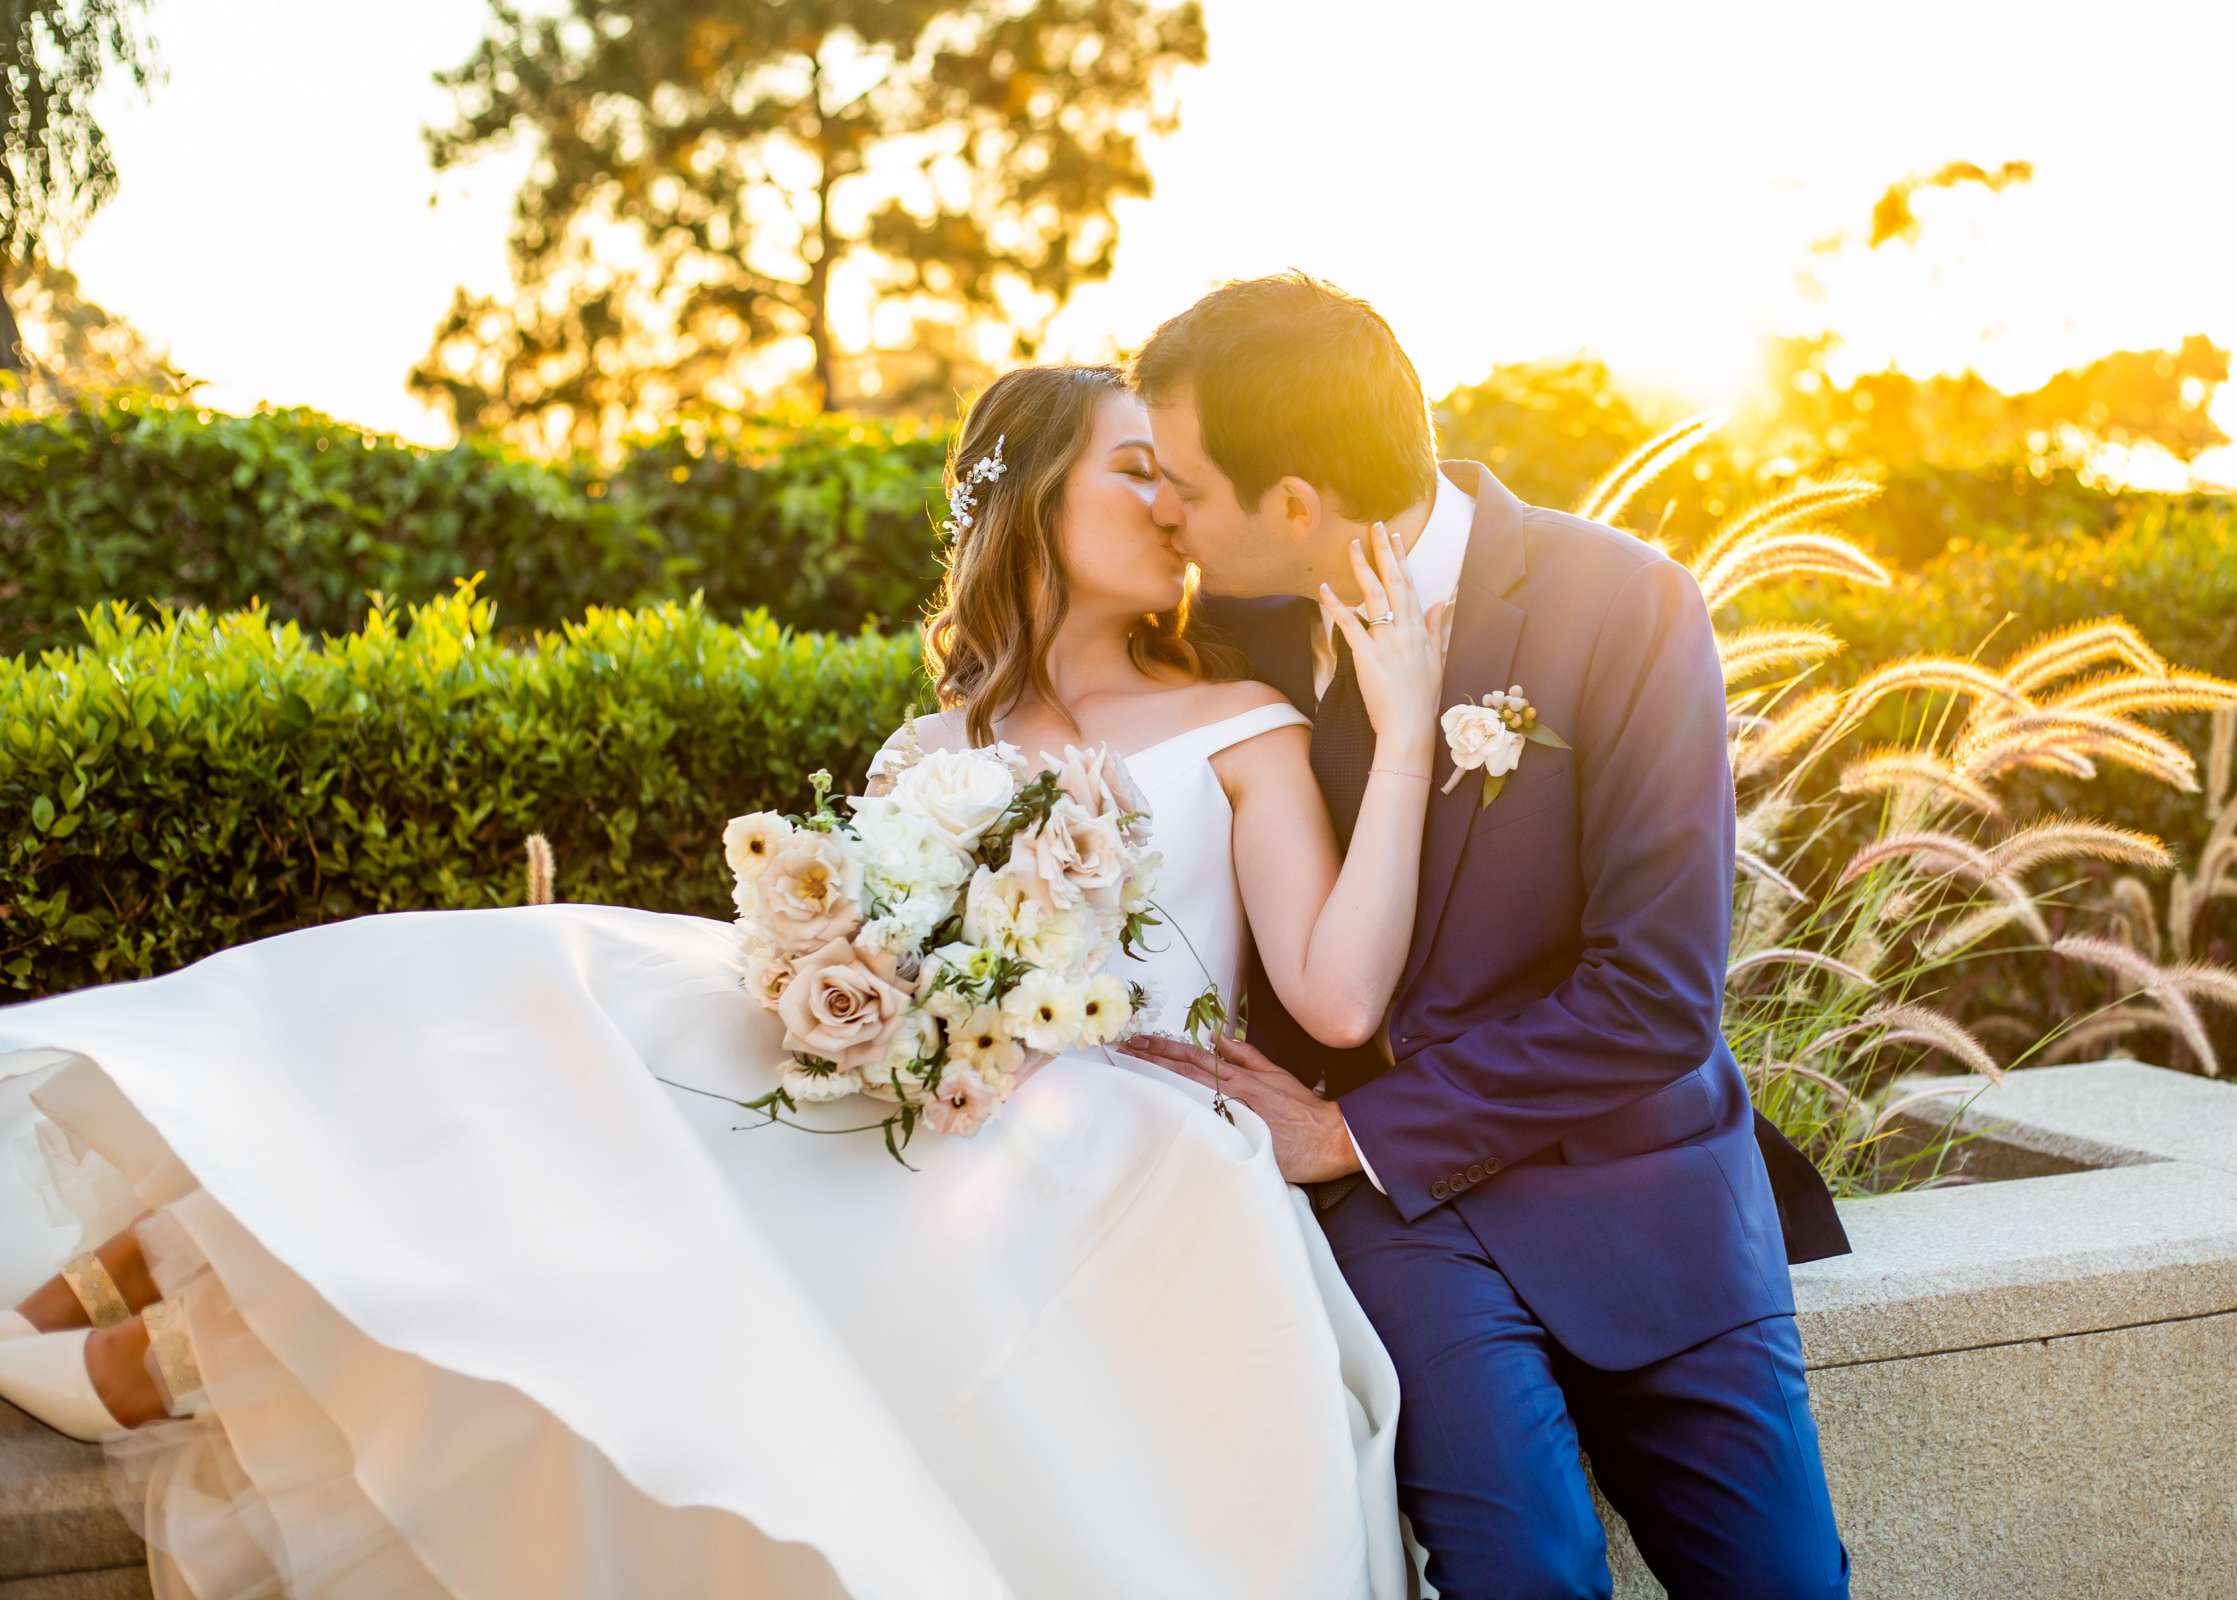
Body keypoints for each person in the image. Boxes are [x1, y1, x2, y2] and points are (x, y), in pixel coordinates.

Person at [0, 363, 1445, 1599]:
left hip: (1123, 1138)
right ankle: (183, 1225)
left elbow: (1334, 996)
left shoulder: (1242, 723)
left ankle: (180, 1310)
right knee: (585, 987)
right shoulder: (924, 754)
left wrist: (1397, 731)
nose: (1178, 504)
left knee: (657, 1095)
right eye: (1139, 470)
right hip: (931, 1103)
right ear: (1037, 505)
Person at [1116, 273, 1855, 1599]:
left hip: (1641, 1186)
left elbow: (1657, 996)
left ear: (1295, 503)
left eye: (1182, 482)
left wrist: (1357, 1132)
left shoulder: (1627, 607)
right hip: (1405, 1225)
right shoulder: (1221, 639)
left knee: (1785, 1586)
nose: (1159, 507)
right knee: (1527, 1574)